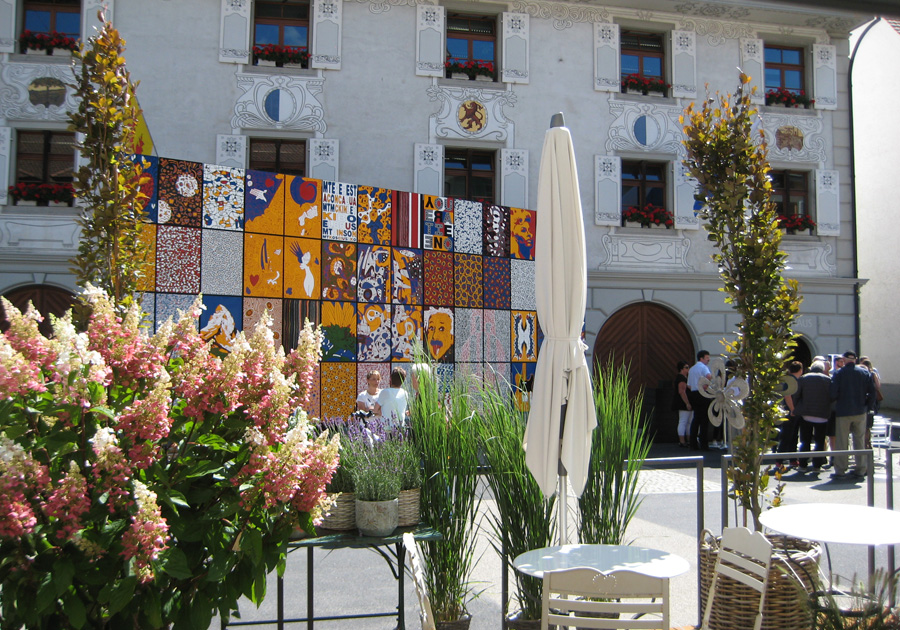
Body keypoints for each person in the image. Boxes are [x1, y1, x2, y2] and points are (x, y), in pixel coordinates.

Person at [829, 350, 876, 480]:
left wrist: (837, 401)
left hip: (843, 411)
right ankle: (860, 469)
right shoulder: (864, 372)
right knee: (859, 440)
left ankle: (840, 469)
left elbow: (832, 393)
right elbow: (872, 392)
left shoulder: (839, 373)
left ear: (844, 360)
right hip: (860, 411)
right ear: (855, 360)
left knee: (842, 442)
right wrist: (867, 406)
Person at [794, 361, 832, 472]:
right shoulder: (828, 380)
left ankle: (803, 465)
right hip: (822, 414)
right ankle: (817, 466)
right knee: (819, 441)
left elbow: (797, 395)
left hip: (806, 413)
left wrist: (797, 408)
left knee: (805, 441)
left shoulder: (803, 379)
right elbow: (832, 396)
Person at [688, 350, 711, 450]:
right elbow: (709, 376)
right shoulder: (703, 367)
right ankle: (704, 444)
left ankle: (693, 443)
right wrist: (705, 386)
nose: (708, 360)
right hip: (702, 393)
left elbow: (689, 385)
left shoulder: (692, 369)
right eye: (707, 358)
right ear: (701, 358)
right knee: (704, 419)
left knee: (696, 418)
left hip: (693, 393)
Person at [672, 360, 692, 447]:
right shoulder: (681, 378)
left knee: (688, 422)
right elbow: (682, 391)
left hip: (685, 402)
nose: (688, 369)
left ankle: (689, 439)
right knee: (683, 421)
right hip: (683, 403)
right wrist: (687, 403)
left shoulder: (684, 378)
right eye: (686, 367)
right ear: (681, 369)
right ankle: (682, 440)